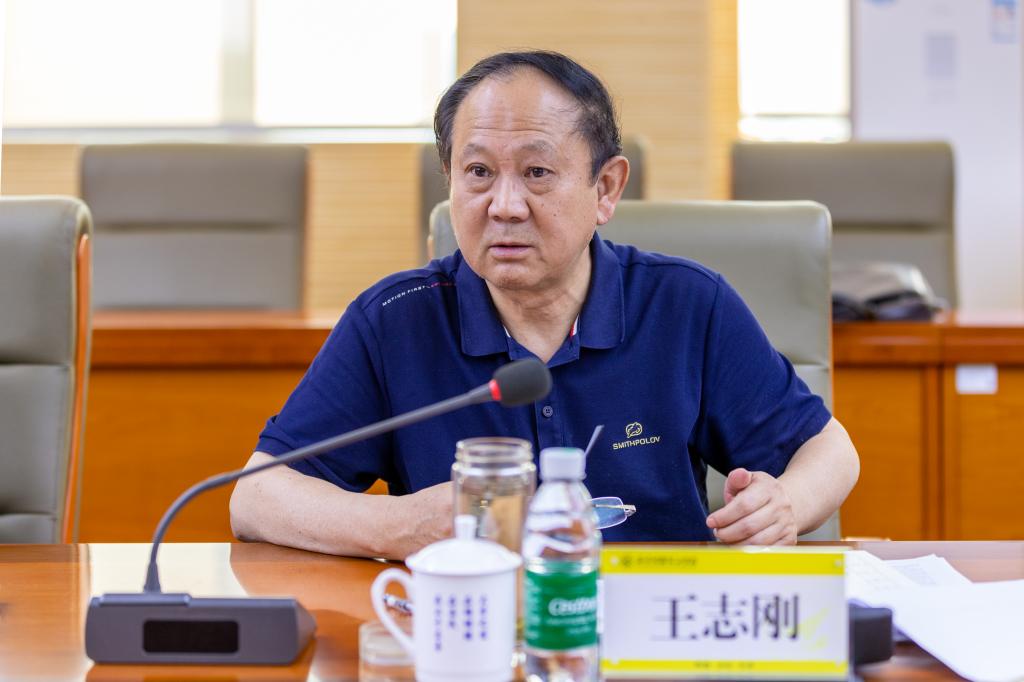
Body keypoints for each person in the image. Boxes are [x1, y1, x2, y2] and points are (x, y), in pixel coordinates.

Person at [229, 51, 859, 559]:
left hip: (650, 625)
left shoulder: (687, 305)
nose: (504, 205)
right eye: (478, 173)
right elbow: (256, 498)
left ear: (605, 188)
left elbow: (831, 453)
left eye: (536, 173)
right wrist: (394, 525)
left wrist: (787, 504)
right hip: (471, 630)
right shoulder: (395, 320)